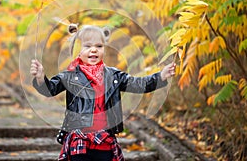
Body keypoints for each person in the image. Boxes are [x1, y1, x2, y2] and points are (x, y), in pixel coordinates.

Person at [30, 25, 176, 161]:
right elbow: (50, 90)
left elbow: (139, 84)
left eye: (99, 46)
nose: (94, 50)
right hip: (79, 139)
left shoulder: (113, 76)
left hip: (104, 139)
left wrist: (160, 76)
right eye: (87, 46)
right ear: (77, 50)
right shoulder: (69, 76)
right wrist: (41, 78)